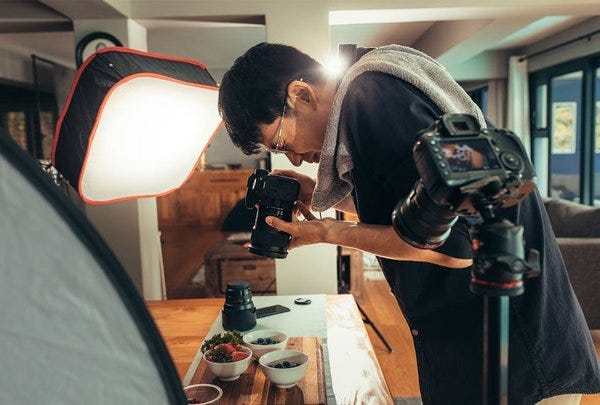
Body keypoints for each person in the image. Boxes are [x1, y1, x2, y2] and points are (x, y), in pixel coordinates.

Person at [218, 42, 600, 404]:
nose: (296, 160)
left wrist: (328, 232)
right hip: (496, 347)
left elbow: (457, 245)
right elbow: (413, 209)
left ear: (301, 94)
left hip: (516, 361)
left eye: (283, 143)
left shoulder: (371, 98)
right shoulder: (376, 80)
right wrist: (321, 194)